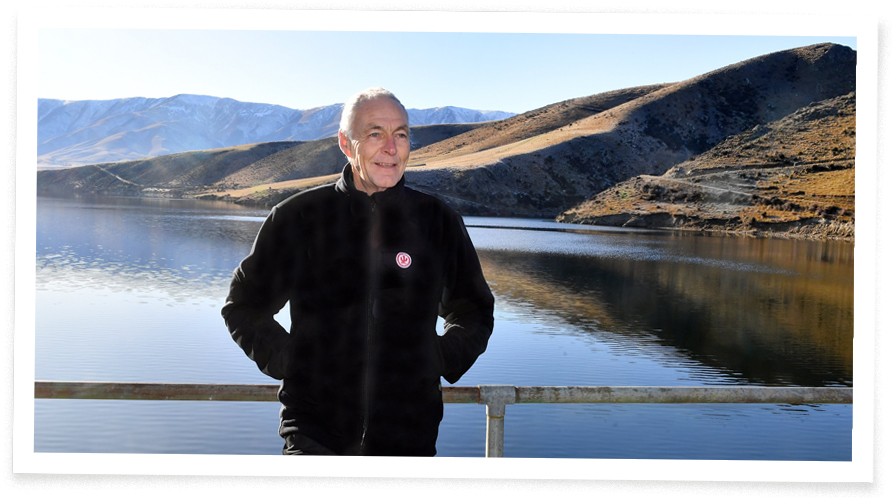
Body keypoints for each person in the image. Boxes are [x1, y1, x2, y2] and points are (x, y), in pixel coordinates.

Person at [221, 87, 495, 457]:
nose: (391, 148)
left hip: (410, 443)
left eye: (401, 134)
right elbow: (243, 306)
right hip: (314, 439)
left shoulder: (438, 221)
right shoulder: (298, 217)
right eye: (375, 134)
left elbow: (474, 309)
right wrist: (293, 359)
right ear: (346, 144)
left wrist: (439, 357)